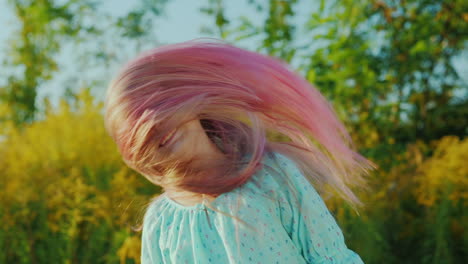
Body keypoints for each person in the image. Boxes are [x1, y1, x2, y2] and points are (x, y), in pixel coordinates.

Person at [104, 38, 377, 263]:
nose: (154, 124)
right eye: (136, 124)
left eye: (159, 103)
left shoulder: (272, 175)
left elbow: (329, 257)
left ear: (188, 95)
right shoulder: (162, 221)